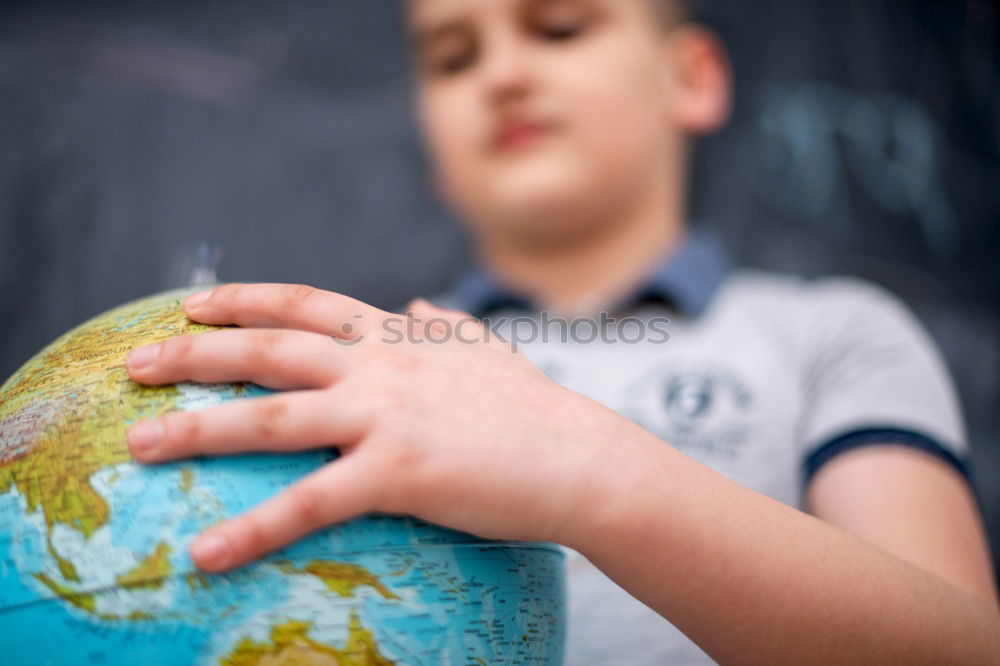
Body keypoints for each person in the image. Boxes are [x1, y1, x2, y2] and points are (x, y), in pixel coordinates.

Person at [123, 0, 1000, 662]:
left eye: (561, 28)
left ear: (692, 77)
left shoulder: (833, 333)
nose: (502, 75)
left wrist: (580, 463)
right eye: (455, 58)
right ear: (431, 139)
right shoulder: (367, 367)